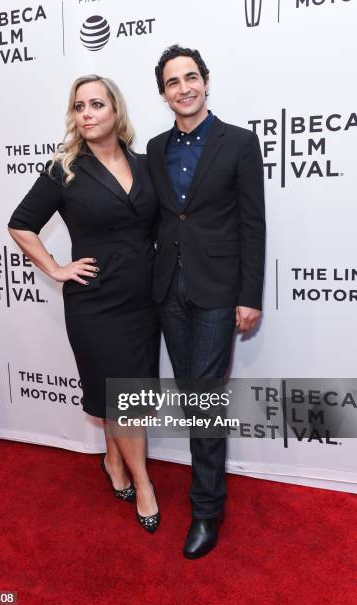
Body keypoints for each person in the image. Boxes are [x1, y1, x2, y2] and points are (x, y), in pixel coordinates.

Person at [8, 75, 160, 533]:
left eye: (97, 104)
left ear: (116, 110)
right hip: (96, 304)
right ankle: (145, 485)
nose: (88, 113)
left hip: (143, 301)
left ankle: (113, 461)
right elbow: (21, 224)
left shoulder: (146, 164)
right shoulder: (65, 168)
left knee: (125, 392)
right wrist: (55, 268)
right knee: (125, 396)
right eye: (79, 106)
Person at [147, 45, 266, 557]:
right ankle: (208, 495)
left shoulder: (239, 143)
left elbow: (252, 224)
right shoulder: (154, 149)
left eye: (190, 77)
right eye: (173, 82)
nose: (184, 88)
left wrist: (249, 295)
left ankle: (206, 511)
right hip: (168, 290)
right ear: (164, 93)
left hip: (219, 291)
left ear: (206, 81)